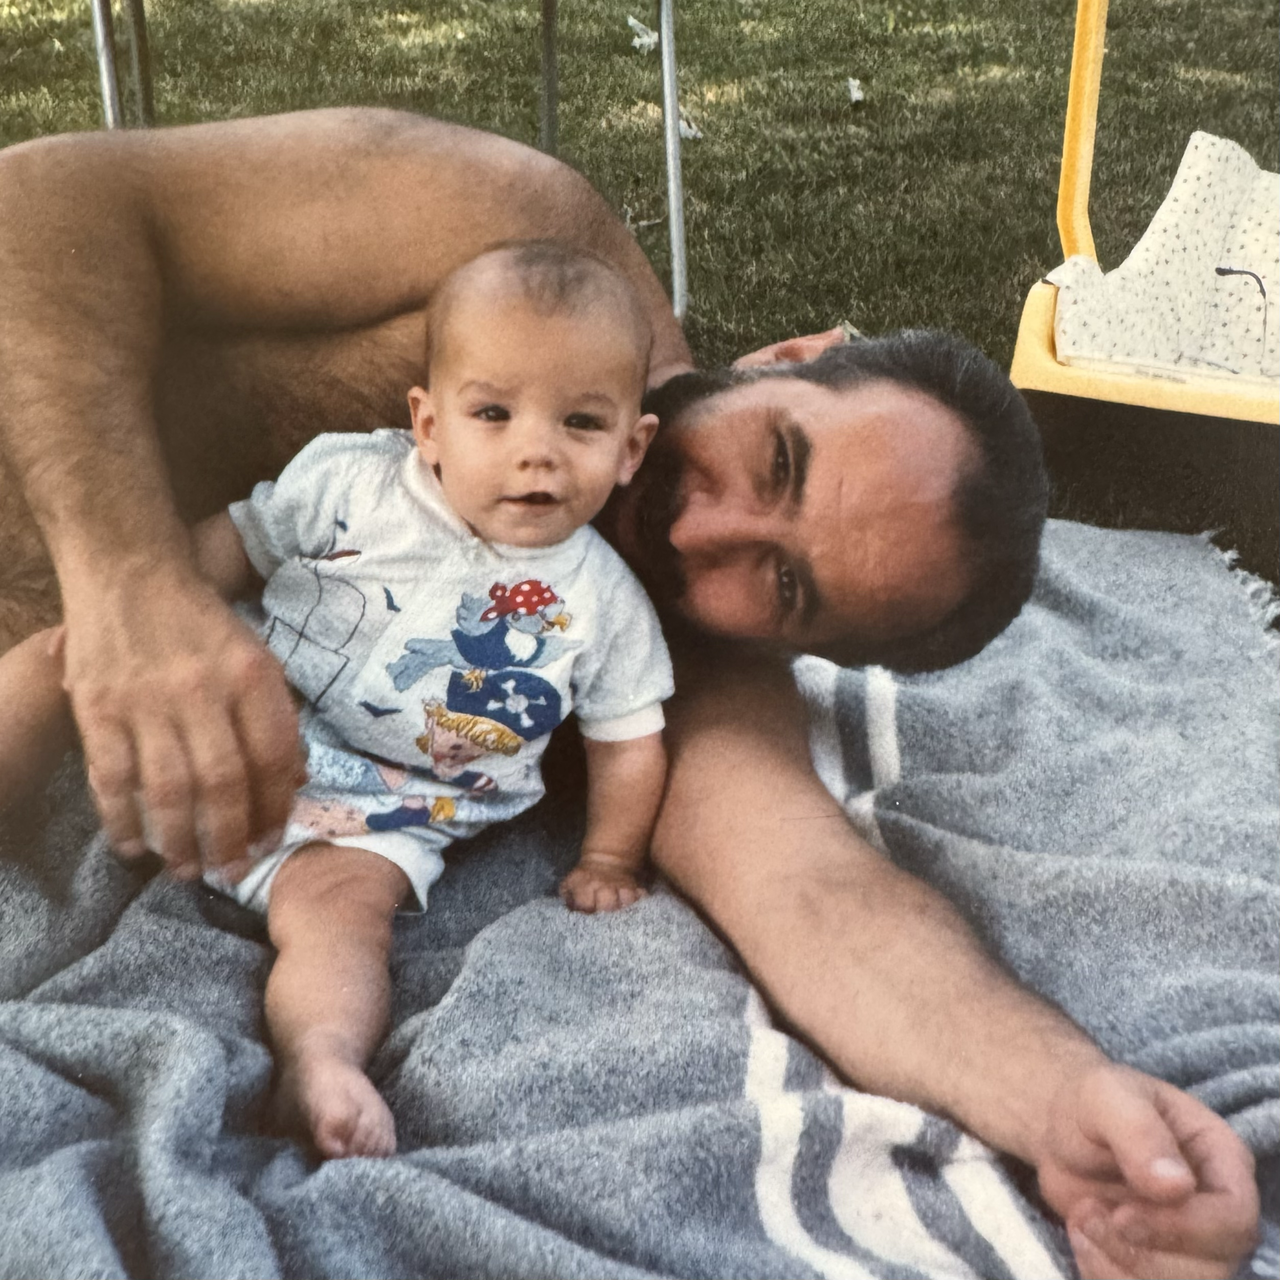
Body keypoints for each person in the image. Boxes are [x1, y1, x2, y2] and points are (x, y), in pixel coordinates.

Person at [0, 109, 1259, 1278]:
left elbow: (816, 899)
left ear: (802, 650)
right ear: (792, 356)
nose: (702, 529)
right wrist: (130, 583)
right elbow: (41, 205)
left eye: (781, 584)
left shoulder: (674, 658)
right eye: (775, 457)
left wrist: (1067, 1107)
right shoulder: (511, 231)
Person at [0, 239, 675, 1159]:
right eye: (492, 413)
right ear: (428, 424)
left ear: (632, 447)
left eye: (582, 424)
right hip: (234, 716)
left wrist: (609, 856)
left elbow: (628, 741)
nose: (536, 454)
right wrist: (147, 624)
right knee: (59, 659)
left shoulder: (603, 603)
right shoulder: (351, 483)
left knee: (343, 920)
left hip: (378, 811)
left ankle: (322, 1058)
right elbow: (232, 546)